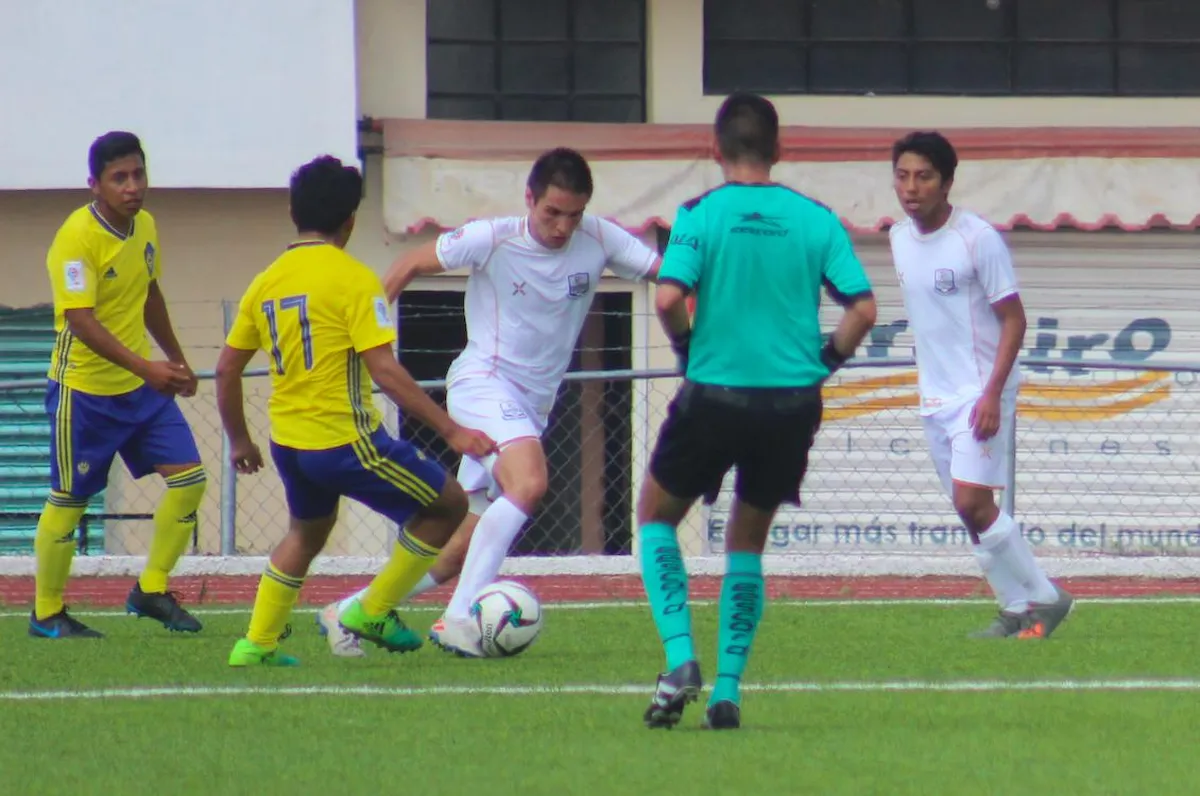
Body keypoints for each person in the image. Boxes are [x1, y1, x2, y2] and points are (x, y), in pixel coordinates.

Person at [317, 147, 662, 658]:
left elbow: (669, 274)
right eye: (552, 212)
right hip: (482, 385)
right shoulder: (493, 237)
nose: (563, 226)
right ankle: (459, 619)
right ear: (529, 199)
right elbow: (409, 261)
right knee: (529, 482)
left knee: (459, 548)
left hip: (530, 409)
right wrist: (368, 333)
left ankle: (350, 610)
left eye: (574, 214)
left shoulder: (600, 238)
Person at [637, 93, 878, 731]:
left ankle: (681, 659)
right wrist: (824, 361)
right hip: (791, 404)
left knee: (656, 518)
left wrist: (688, 347)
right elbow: (863, 309)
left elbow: (667, 298)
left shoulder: (700, 214)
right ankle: (729, 691)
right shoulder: (815, 219)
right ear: (779, 151)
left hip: (714, 394)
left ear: (716, 151)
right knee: (747, 540)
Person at [215, 155, 496, 667]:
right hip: (344, 440)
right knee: (449, 505)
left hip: (289, 443)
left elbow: (227, 368)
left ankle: (255, 644)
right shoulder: (353, 279)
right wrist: (452, 431)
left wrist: (239, 439)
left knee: (307, 532)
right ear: (350, 221)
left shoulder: (267, 281)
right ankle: (373, 611)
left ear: (293, 212)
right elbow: (384, 371)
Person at [889, 131, 1074, 639]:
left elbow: (1014, 319)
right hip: (935, 396)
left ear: (947, 182)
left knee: (974, 502)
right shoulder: (898, 238)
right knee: (969, 513)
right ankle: (1015, 608)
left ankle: (1045, 596)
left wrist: (994, 392)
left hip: (980, 391)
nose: (911, 187)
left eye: (923, 176)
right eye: (902, 175)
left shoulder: (978, 238)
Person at [31, 131, 206, 640]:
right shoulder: (75, 238)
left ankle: (150, 590)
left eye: (139, 174)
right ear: (95, 185)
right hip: (82, 392)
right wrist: (148, 367)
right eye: (119, 178)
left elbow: (150, 293)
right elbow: (80, 321)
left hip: (139, 391)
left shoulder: (146, 226)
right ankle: (46, 614)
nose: (132, 187)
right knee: (70, 499)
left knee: (190, 479)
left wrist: (174, 358)